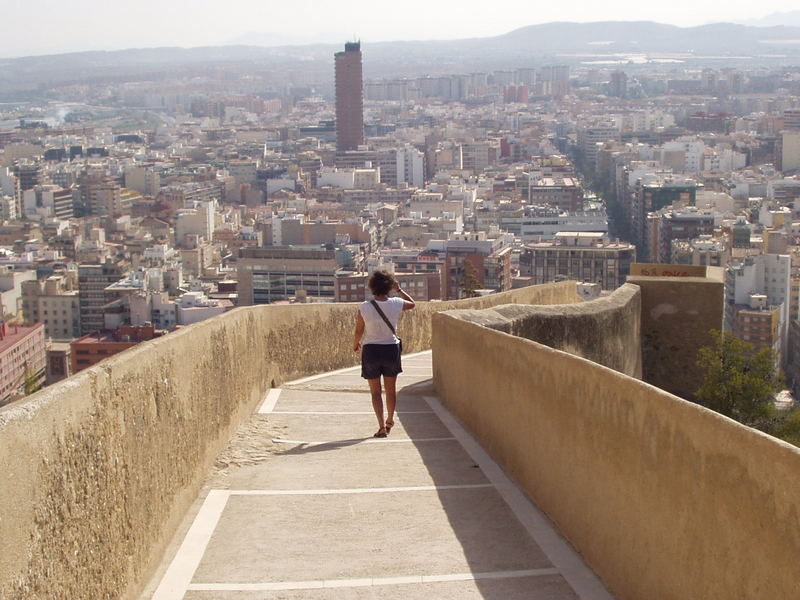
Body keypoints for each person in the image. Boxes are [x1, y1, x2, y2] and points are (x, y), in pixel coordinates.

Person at [353, 270, 415, 438]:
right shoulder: (396, 302)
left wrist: (355, 343)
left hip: (371, 350)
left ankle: (380, 426)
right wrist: (399, 289)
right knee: (390, 390)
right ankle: (389, 421)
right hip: (390, 349)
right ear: (389, 287)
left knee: (375, 392)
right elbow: (412, 303)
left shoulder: (365, 306)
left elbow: (359, 329)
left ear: (372, 287)